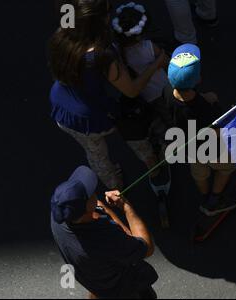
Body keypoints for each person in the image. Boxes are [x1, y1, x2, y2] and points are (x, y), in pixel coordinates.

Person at [48, 0, 168, 190]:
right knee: (135, 134)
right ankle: (154, 168)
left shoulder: (61, 36)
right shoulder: (103, 55)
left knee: (96, 154)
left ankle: (115, 185)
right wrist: (156, 63)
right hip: (94, 115)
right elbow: (131, 89)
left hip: (62, 110)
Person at [51, 166, 157, 299]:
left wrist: (102, 208)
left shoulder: (59, 217)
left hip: (95, 281)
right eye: (90, 194)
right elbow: (146, 247)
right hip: (124, 291)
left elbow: (96, 206)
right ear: (88, 208)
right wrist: (125, 206)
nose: (94, 191)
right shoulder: (105, 239)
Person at [167, 44, 236, 215]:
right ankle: (214, 199)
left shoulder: (167, 94)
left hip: (189, 149)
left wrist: (204, 97)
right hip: (212, 150)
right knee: (226, 168)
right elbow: (217, 131)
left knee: (199, 174)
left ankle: (204, 194)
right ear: (198, 78)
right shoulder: (208, 109)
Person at [112, 2, 172, 189]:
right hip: (161, 90)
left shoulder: (116, 52)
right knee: (169, 117)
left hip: (144, 98)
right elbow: (167, 63)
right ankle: (169, 146)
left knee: (154, 120)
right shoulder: (148, 47)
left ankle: (159, 142)